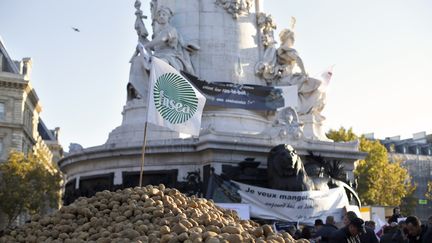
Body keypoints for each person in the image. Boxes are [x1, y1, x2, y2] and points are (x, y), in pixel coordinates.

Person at [144, 6, 198, 74]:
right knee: (138, 62)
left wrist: (146, 45)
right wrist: (143, 41)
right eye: (159, 15)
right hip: (157, 55)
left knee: (159, 63)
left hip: (169, 56)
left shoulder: (172, 30)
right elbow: (154, 46)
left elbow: (163, 39)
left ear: (168, 17)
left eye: (164, 14)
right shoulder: (157, 33)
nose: (161, 16)